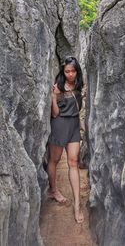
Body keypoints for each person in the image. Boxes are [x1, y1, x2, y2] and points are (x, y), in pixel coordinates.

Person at [47, 56, 84, 224]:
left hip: (74, 125)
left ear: (77, 71)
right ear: (63, 71)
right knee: (54, 160)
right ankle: (53, 190)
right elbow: (55, 114)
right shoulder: (58, 87)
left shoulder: (78, 84)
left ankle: (77, 205)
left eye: (73, 71)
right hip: (60, 124)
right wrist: (54, 97)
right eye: (67, 71)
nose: (70, 74)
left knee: (73, 161)